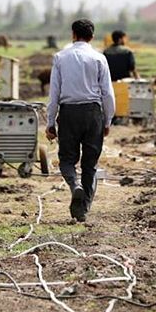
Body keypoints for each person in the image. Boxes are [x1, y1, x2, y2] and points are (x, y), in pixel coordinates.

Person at [46, 19, 116, 222]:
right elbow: (108, 93)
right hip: (93, 113)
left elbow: (54, 93)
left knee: (67, 159)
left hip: (69, 113)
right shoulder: (99, 58)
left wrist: (51, 122)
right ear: (92, 37)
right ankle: (83, 209)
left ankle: (74, 185)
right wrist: (107, 121)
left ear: (73, 35)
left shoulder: (60, 57)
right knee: (90, 164)